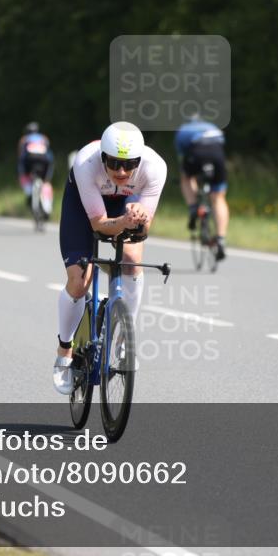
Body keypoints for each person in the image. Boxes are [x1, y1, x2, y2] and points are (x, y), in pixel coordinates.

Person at [52, 121, 167, 394]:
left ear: (139, 161)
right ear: (102, 157)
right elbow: (99, 224)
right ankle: (64, 351)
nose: (121, 171)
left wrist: (137, 220)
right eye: (113, 163)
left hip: (127, 203)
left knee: (130, 261)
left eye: (129, 165)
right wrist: (124, 222)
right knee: (80, 280)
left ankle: (124, 340)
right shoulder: (85, 163)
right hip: (85, 207)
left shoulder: (155, 168)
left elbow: (143, 230)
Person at [175, 114, 229, 261]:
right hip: (217, 154)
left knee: (186, 178)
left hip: (196, 152)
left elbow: (182, 157)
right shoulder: (212, 127)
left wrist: (188, 172)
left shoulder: (182, 130)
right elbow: (221, 144)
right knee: (218, 197)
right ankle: (221, 238)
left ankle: (193, 208)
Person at [17, 122, 54, 218]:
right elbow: (49, 153)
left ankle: (29, 192)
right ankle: (47, 205)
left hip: (29, 160)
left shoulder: (24, 139)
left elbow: (21, 155)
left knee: (22, 167)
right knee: (46, 181)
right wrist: (48, 174)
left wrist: (22, 172)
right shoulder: (43, 137)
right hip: (44, 161)